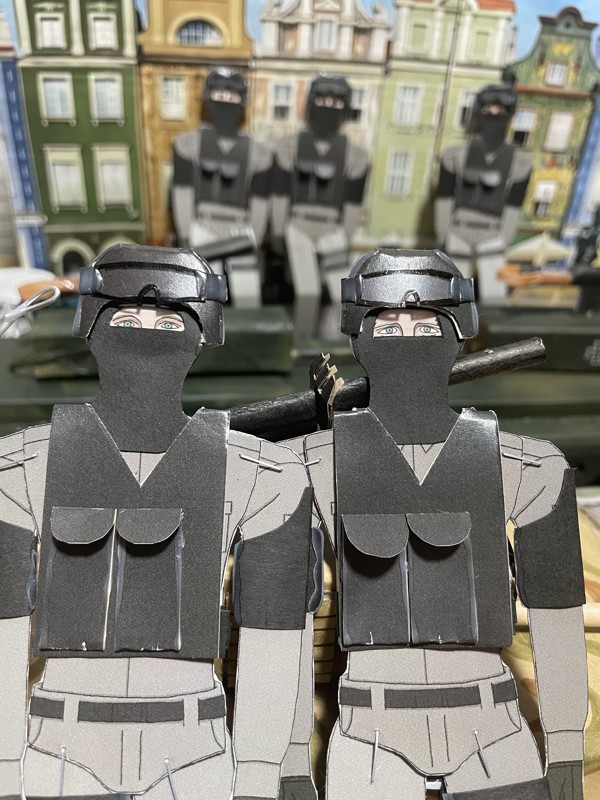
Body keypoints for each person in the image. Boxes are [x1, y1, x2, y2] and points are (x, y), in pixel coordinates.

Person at [0, 244, 319, 799]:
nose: (147, 335)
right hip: (58, 750)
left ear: (202, 333)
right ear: (92, 326)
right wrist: (5, 767)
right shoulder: (21, 466)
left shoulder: (265, 475)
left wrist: (267, 774)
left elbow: (276, 638)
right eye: (126, 319)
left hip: (195, 750)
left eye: (170, 322)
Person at [293, 248, 587, 799]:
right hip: (369, 729)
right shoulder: (309, 464)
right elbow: (285, 619)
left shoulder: (529, 465)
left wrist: (567, 745)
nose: (406, 339)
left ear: (457, 334)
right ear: (359, 336)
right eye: (388, 325)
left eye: (425, 325)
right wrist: (286, 756)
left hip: (492, 723)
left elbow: (558, 613)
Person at [271, 74, 369, 338]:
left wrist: (344, 236)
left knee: (342, 295)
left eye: (336, 101)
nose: (329, 106)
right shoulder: (288, 147)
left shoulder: (356, 156)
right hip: (298, 225)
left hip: (332, 227)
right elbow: (279, 196)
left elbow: (352, 205)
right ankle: (301, 346)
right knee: (307, 292)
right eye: (323, 99)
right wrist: (278, 232)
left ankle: (334, 346)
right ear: (312, 102)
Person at [172, 68, 271, 308]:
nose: (225, 100)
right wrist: (185, 232)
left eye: (232, 96)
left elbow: (260, 200)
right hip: (203, 226)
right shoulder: (188, 145)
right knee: (202, 298)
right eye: (219, 95)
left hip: (241, 228)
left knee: (248, 297)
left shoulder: (259, 153)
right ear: (208, 98)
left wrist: (255, 236)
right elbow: (182, 192)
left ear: (242, 101)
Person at [435, 84, 531, 303]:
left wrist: (503, 240)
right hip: (458, 230)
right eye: (488, 110)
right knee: (452, 297)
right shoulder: (455, 155)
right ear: (478, 112)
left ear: (509, 115)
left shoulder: (520, 163)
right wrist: (443, 235)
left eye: (500, 111)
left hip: (492, 233)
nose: (493, 116)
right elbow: (444, 199)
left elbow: (513, 207)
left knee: (494, 296)